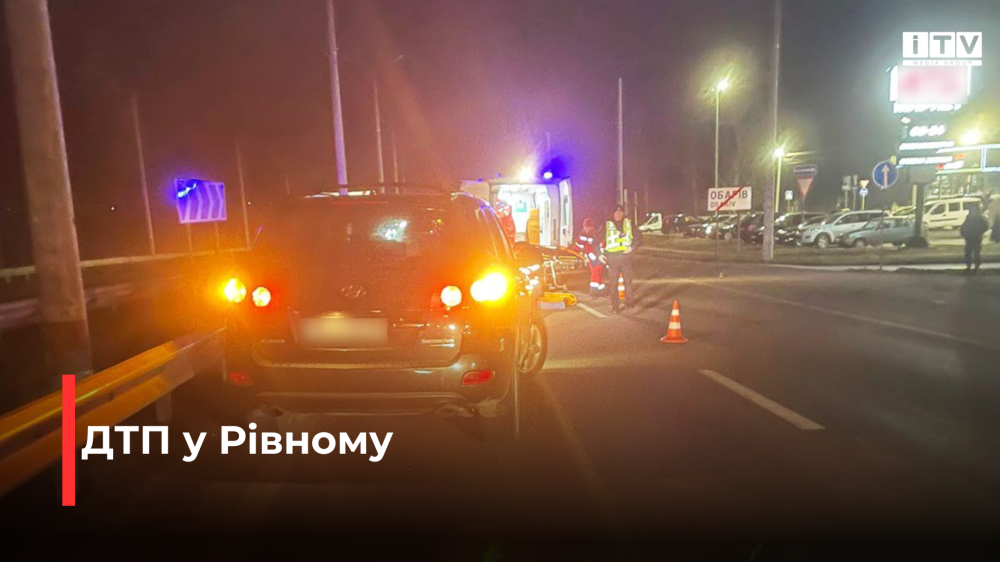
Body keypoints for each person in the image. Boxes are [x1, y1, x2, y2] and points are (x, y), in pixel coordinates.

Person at [600, 204, 641, 313]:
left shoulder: (629, 223)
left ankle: (629, 302)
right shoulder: (607, 225)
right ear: (612, 213)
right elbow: (596, 240)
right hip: (612, 258)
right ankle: (615, 306)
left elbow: (638, 237)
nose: (618, 214)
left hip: (626, 257)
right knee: (613, 284)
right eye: (616, 212)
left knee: (628, 281)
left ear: (623, 213)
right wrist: (599, 254)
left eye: (620, 212)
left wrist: (632, 247)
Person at [574, 218, 605, 297]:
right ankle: (598, 290)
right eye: (585, 227)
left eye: (588, 227)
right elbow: (578, 247)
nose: (586, 228)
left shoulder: (595, 235)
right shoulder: (585, 235)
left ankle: (597, 290)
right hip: (591, 257)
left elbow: (598, 246)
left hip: (596, 257)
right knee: (596, 274)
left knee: (596, 274)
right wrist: (583, 256)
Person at [959, 204, 989, 274]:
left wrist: (979, 232)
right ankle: (968, 267)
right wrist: (964, 233)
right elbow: (964, 226)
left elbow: (985, 227)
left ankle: (976, 267)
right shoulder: (969, 218)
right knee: (968, 253)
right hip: (969, 238)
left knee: (976, 253)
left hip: (976, 238)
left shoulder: (979, 218)